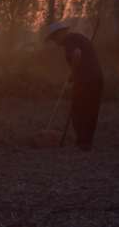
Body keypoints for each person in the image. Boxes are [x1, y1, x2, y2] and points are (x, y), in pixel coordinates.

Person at [45, 22, 104, 151]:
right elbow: (86, 56)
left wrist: (74, 71)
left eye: (54, 38)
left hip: (86, 80)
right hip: (97, 78)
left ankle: (82, 142)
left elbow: (77, 54)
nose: (55, 42)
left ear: (60, 33)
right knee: (90, 111)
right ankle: (86, 143)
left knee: (78, 110)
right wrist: (74, 74)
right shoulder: (79, 37)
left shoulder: (69, 41)